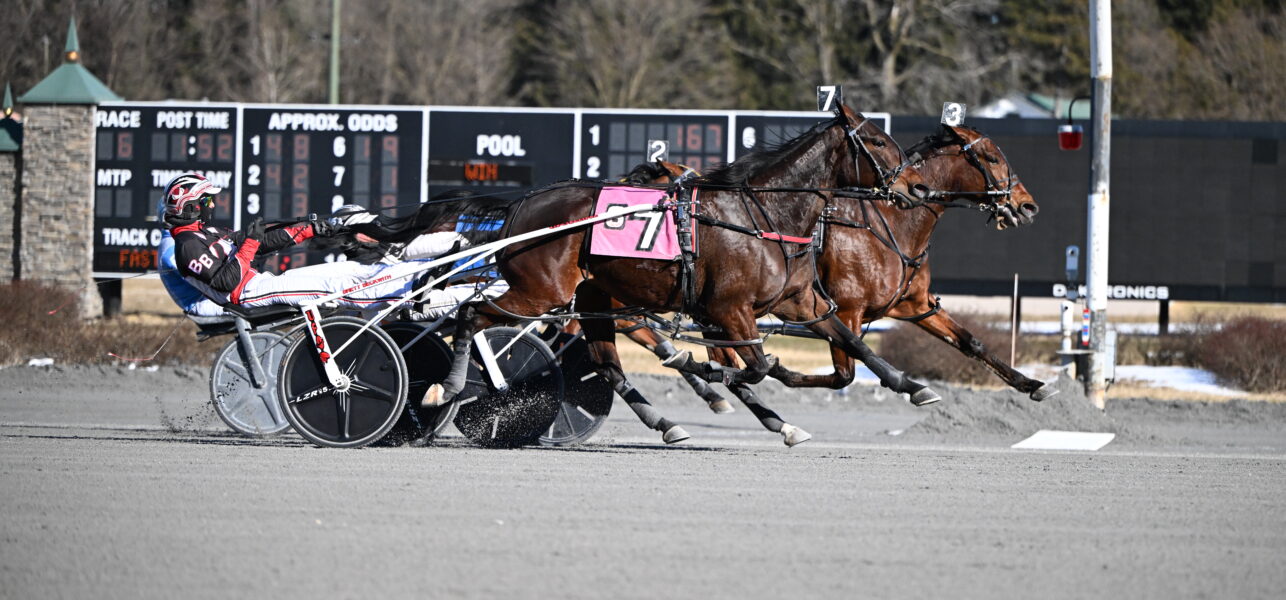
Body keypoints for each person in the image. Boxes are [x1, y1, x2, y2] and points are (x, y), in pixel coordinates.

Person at [161, 172, 490, 315]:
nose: (212, 205)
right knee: (343, 287)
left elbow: (264, 242)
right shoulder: (186, 246)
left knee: (350, 270)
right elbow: (227, 281)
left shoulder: (206, 234)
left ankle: (418, 276)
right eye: (206, 201)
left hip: (263, 283)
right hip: (249, 294)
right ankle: (412, 291)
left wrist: (317, 229)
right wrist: (248, 242)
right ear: (191, 206)